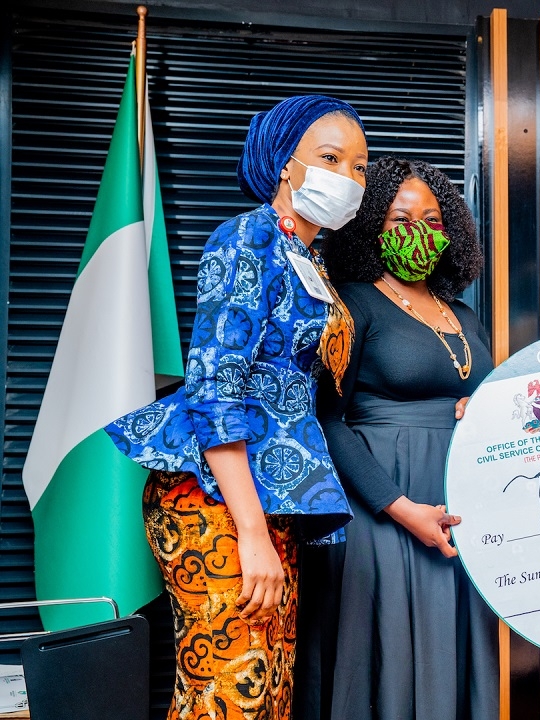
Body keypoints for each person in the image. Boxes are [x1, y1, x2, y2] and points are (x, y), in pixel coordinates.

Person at [104, 94, 368, 719]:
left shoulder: (309, 258)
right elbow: (216, 391)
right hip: (215, 497)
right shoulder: (245, 238)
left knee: (270, 694)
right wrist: (252, 534)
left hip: (271, 495)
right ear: (284, 165)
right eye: (330, 157)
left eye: (359, 166)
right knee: (227, 692)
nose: (349, 177)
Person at [294, 156, 499, 720]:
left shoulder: (465, 315)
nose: (419, 232)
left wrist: (484, 407)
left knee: (450, 657)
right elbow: (326, 419)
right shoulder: (352, 305)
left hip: (460, 506)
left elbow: (492, 397)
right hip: (384, 506)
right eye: (399, 219)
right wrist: (399, 507)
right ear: (369, 229)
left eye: (432, 221)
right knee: (388, 662)